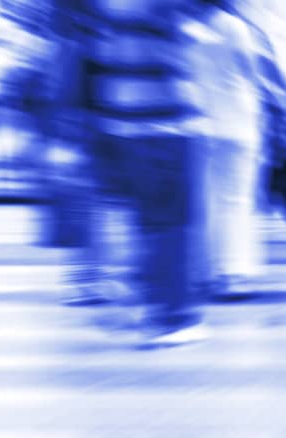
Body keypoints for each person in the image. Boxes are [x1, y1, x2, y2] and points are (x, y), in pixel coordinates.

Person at [86, 0, 210, 346]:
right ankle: (173, 317)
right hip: (164, 123)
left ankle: (146, 302)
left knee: (150, 222)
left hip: (122, 123)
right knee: (173, 225)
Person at [187, 0, 286, 301]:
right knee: (237, 201)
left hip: (200, 125)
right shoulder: (236, 27)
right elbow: (257, 76)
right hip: (239, 124)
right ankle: (234, 274)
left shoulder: (187, 29)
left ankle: (204, 272)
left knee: (203, 201)